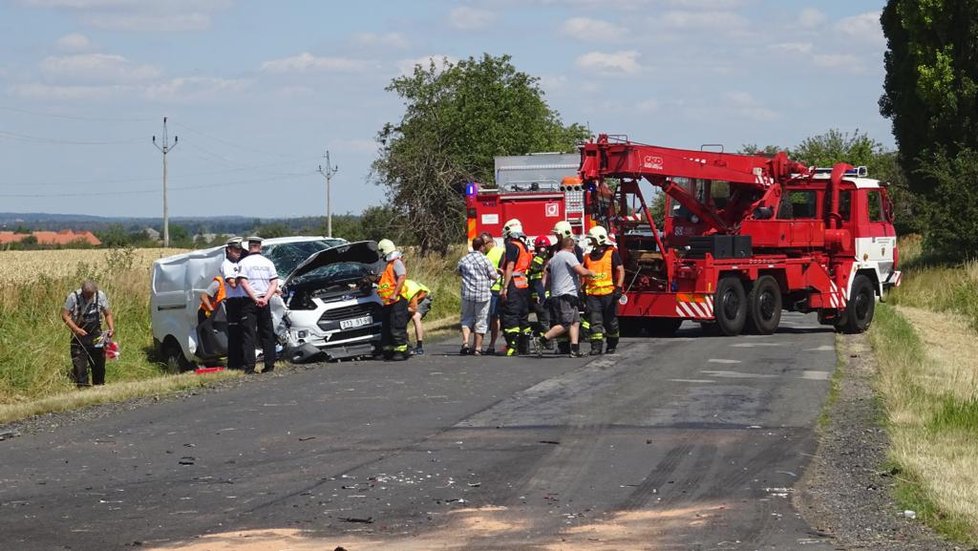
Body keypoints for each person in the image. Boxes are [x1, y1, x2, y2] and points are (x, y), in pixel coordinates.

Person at [538, 237, 594, 358]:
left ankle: (574, 349)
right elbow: (581, 271)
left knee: (575, 322)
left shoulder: (554, 258)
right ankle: (542, 340)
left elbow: (546, 275)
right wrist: (591, 273)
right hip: (566, 295)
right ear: (572, 246)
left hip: (559, 294)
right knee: (566, 323)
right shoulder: (569, 256)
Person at [61, 280, 115, 387]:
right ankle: (83, 388)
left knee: (99, 364)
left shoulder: (100, 296)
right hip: (79, 336)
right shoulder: (73, 297)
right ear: (82, 291)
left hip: (96, 335)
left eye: (91, 295)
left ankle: (99, 386)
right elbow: (65, 315)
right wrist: (76, 329)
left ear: (95, 291)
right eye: (87, 295)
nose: (89, 297)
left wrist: (111, 328)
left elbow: (107, 314)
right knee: (80, 366)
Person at [238, 235, 279, 374]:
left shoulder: (244, 262)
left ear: (249, 247)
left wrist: (255, 299)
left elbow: (244, 283)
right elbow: (274, 283)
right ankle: (270, 364)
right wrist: (265, 298)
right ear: (260, 247)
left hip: (249, 301)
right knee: (267, 332)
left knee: (249, 334)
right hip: (264, 300)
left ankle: (249, 366)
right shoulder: (268, 263)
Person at [583, 226, 625, 355]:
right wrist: (582, 289)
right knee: (595, 322)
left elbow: (620, 270)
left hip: (609, 294)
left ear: (599, 239)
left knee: (610, 322)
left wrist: (618, 288)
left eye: (593, 239)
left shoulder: (612, 253)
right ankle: (596, 347)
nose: (591, 241)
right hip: (593, 295)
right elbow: (584, 274)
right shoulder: (588, 256)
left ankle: (612, 344)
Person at [456, 235, 499, 355]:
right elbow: (494, 275)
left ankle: (465, 342)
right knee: (481, 320)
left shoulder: (464, 259)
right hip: (482, 295)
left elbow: (458, 272)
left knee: (466, 319)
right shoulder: (485, 260)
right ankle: (478, 348)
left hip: (467, 294)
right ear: (481, 247)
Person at [499, 218, 533, 356]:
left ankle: (512, 346)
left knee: (510, 315)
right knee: (523, 316)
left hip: (513, 284)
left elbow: (511, 266)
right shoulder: (524, 247)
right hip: (523, 284)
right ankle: (524, 347)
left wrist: (505, 287)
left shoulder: (512, 246)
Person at [376, 238, 411, 361]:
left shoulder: (396, 263)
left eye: (381, 252)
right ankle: (388, 351)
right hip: (388, 302)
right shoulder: (388, 265)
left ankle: (401, 351)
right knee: (387, 327)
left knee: (397, 326)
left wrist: (395, 293)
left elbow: (401, 277)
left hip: (397, 301)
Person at [221, 237, 247, 371]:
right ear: (228, 250)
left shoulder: (238, 264)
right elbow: (232, 283)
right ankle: (234, 363)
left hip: (242, 299)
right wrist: (242, 276)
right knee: (235, 332)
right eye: (235, 250)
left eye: (239, 250)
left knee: (243, 331)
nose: (238, 252)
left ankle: (243, 360)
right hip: (233, 300)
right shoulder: (226, 265)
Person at [481, 231, 504, 355]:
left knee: (495, 317)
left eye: (484, 244)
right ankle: (479, 344)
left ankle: (492, 344)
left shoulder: (499, 252)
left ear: (490, 242)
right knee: (483, 317)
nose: (483, 246)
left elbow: (504, 270)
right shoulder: (483, 254)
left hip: (495, 288)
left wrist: (503, 288)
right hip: (484, 289)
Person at [528, 235, 552, 337]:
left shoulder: (550, 259)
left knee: (546, 319)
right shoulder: (537, 260)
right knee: (544, 318)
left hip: (546, 293)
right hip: (539, 293)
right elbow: (533, 272)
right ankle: (547, 340)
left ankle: (548, 339)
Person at [401, 279, 432, 355]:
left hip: (423, 298)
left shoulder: (410, 290)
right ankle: (406, 345)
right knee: (400, 321)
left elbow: (413, 309)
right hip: (411, 301)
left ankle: (419, 346)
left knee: (416, 317)